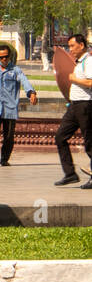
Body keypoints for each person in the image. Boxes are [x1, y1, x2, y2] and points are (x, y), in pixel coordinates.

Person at [0, 45, 36, 167]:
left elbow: (24, 81)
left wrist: (31, 92)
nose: (4, 60)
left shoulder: (15, 70)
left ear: (9, 56)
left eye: (6, 57)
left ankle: (4, 159)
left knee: (8, 136)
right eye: (1, 57)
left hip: (10, 108)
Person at [54, 33, 92, 187]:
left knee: (89, 143)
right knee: (60, 137)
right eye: (69, 46)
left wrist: (74, 79)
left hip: (85, 106)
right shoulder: (80, 62)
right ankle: (70, 174)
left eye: (72, 46)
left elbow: (90, 82)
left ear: (81, 45)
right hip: (75, 106)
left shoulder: (89, 61)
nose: (70, 50)